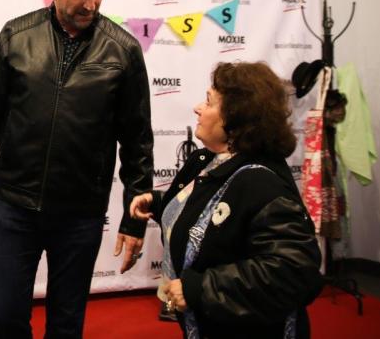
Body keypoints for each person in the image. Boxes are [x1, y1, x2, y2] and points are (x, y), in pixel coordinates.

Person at [0, 0, 154, 338]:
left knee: (67, 324)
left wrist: (134, 222)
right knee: (9, 318)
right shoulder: (16, 36)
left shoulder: (124, 50)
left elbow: (138, 142)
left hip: (80, 212)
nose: (92, 3)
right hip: (13, 205)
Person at [130, 62, 323, 339]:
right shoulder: (208, 162)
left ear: (235, 118)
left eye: (208, 102)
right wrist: (159, 202)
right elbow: (209, 215)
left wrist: (200, 289)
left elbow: (294, 271)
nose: (198, 108)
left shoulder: (261, 182)